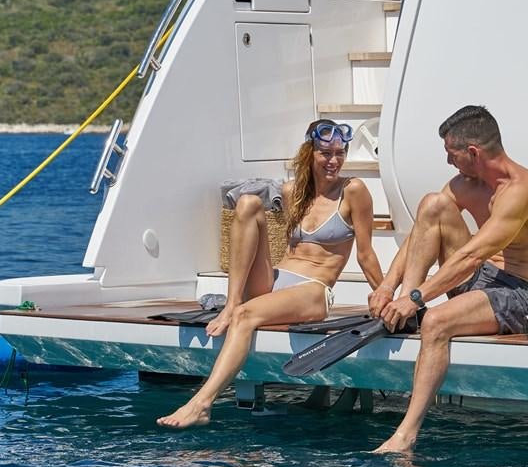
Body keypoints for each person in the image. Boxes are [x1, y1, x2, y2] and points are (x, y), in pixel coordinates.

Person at [157, 119, 384, 429]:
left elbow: (366, 253)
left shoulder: (353, 190)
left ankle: (202, 403)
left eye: (339, 154)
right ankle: (231, 302)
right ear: (309, 153)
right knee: (248, 203)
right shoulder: (293, 192)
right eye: (325, 153)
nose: (334, 161)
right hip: (277, 279)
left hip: (314, 290)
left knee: (246, 317)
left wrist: (386, 297)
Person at [367, 105, 528, 454]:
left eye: (451, 154)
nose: (448, 163)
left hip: (520, 294)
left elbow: (471, 256)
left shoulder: (521, 191)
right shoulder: (468, 185)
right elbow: (420, 234)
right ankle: (407, 313)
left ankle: (406, 434)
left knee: (438, 322)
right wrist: (387, 287)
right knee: (432, 204)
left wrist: (416, 297)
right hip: (483, 279)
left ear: (473, 153)